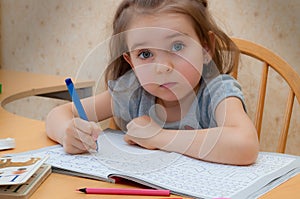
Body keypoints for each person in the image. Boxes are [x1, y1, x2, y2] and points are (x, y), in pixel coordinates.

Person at [46, 0, 259, 165]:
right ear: (130, 61)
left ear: (206, 48)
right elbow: (57, 115)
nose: (162, 67)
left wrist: (158, 136)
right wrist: (68, 133)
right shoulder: (131, 91)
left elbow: (245, 144)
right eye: (145, 54)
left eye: (177, 46)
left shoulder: (217, 91)